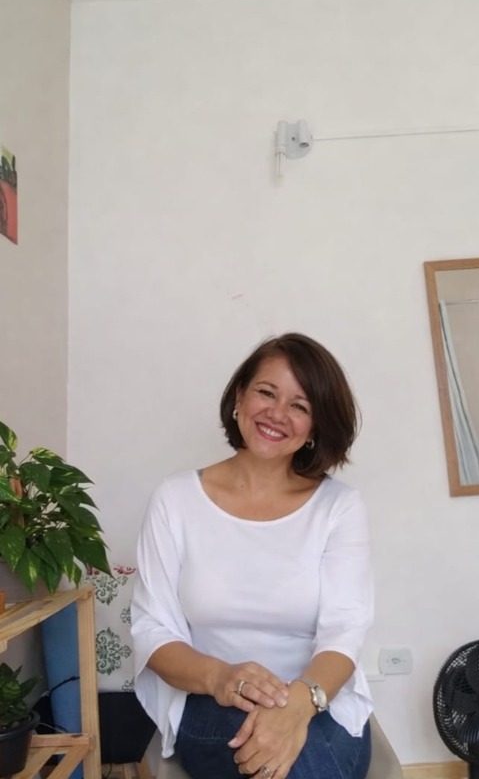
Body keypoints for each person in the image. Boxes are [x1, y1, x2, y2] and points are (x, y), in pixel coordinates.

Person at [131, 333, 374, 779]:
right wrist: (221, 678)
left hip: (320, 702)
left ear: (315, 426)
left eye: (299, 406)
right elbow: (152, 630)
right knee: (281, 755)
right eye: (266, 392)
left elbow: (345, 632)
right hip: (211, 703)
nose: (277, 413)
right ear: (240, 396)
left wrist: (297, 705)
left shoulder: (339, 508)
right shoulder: (175, 500)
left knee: (298, 755)